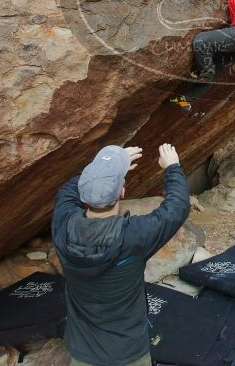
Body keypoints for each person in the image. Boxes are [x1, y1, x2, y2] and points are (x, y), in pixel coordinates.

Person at [52, 143, 190, 366]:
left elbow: (66, 192)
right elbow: (177, 207)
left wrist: (102, 170)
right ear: (122, 193)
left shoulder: (62, 224)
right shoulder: (135, 236)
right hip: (129, 352)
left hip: (83, 352)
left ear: (83, 196)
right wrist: (172, 167)